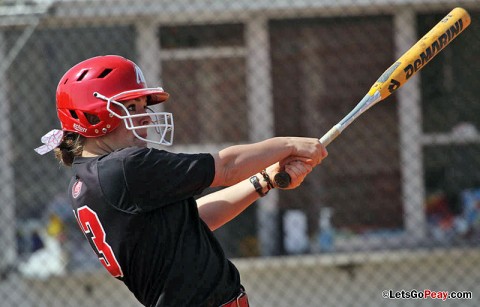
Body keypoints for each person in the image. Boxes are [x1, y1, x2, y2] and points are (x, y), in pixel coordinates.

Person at [35, 55, 327, 307]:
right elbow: (226, 166)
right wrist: (290, 143)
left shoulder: (89, 179)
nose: (146, 118)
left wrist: (265, 180)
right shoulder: (126, 167)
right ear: (93, 116)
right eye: (131, 107)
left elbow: (192, 221)